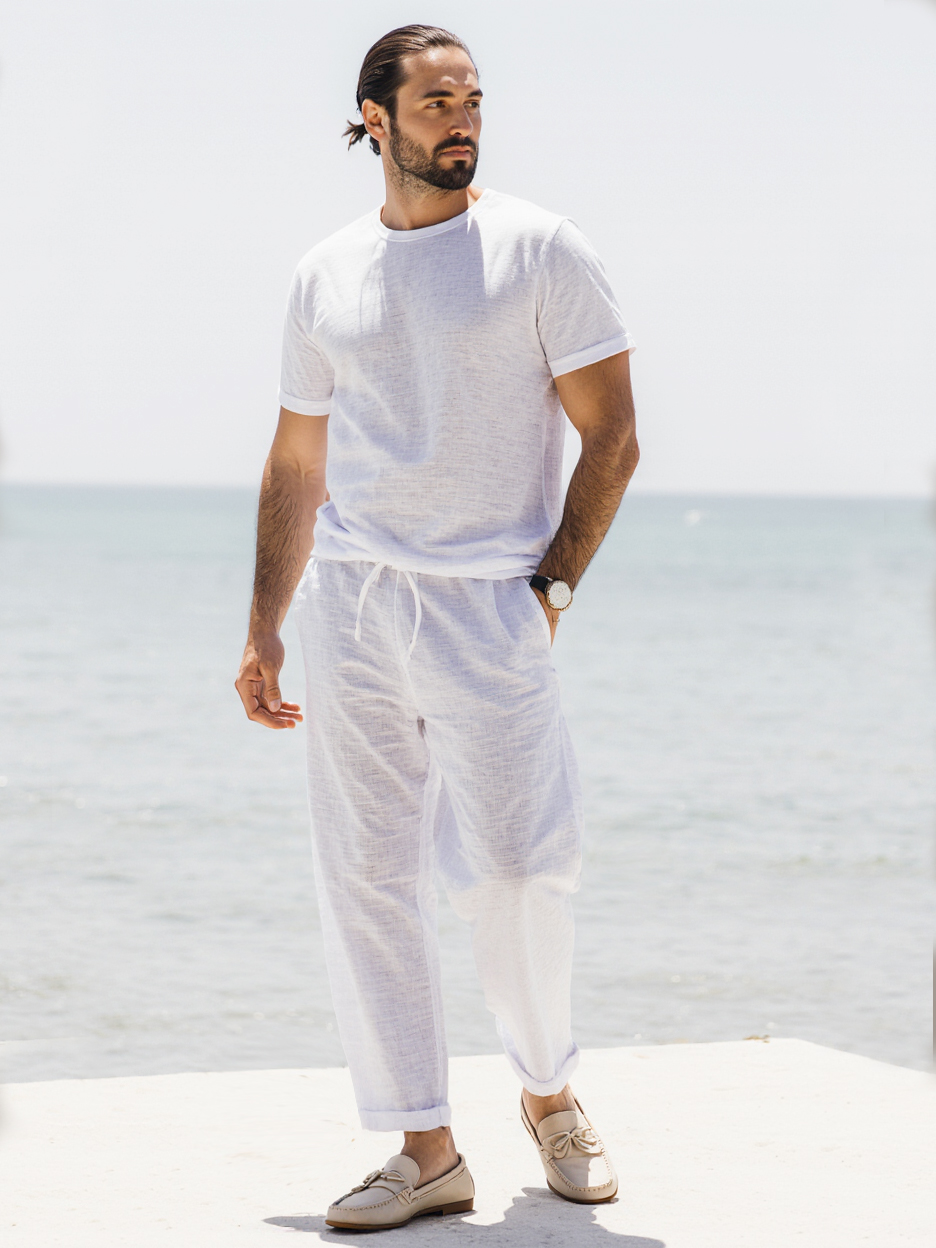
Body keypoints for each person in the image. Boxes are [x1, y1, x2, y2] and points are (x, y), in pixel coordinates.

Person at [235, 24, 639, 1233]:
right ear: (376, 119)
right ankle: (425, 1146)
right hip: (353, 606)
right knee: (367, 878)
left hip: (490, 604)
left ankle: (550, 1095)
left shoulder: (539, 249)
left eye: (472, 99)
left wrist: (551, 590)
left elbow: (614, 436)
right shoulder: (326, 273)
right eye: (435, 101)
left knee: (519, 870)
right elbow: (296, 461)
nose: (462, 119)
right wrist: (264, 626)